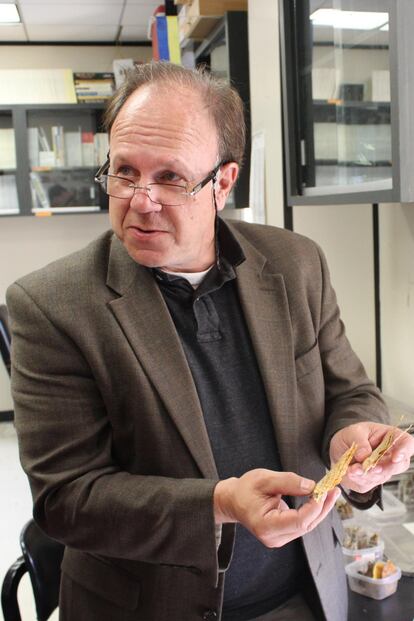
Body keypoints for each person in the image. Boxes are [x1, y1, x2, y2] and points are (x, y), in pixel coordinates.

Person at [6, 61, 414, 621]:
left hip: (305, 592)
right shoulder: (51, 305)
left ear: (223, 183)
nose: (140, 199)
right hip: (145, 607)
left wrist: (353, 436)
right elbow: (67, 499)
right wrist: (219, 503)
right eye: (124, 171)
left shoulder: (295, 265)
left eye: (171, 177)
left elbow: (350, 390)